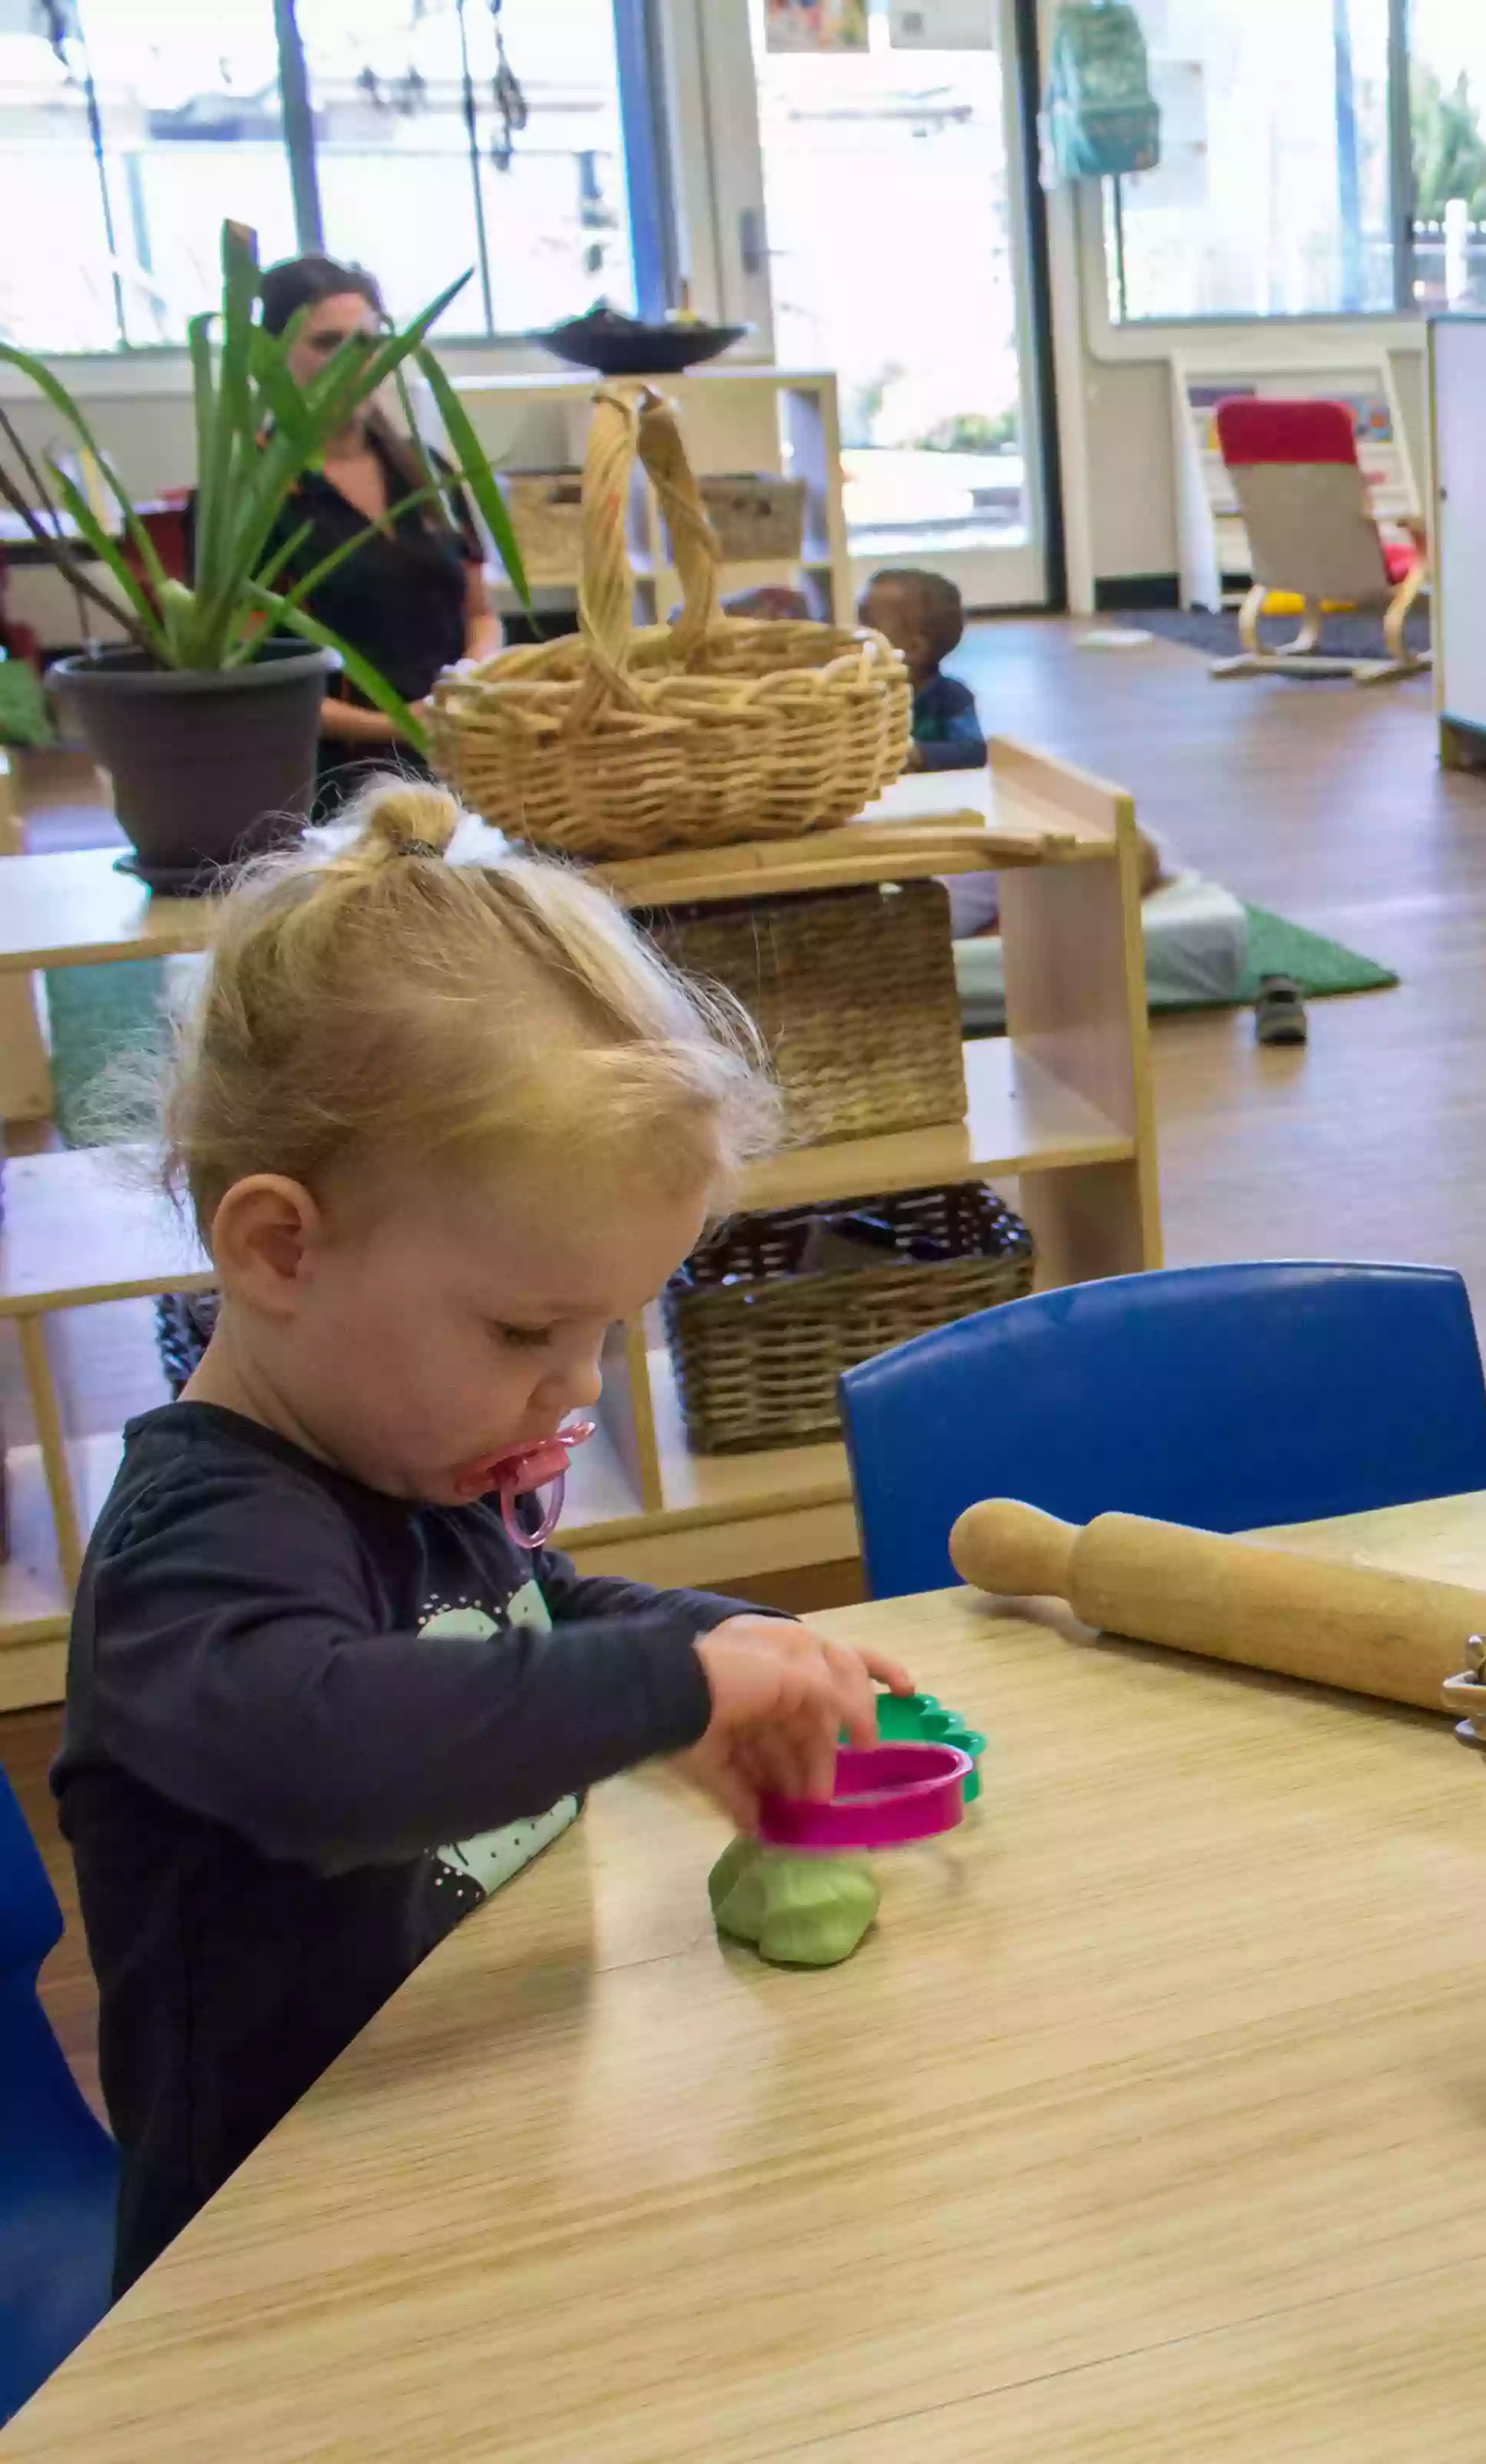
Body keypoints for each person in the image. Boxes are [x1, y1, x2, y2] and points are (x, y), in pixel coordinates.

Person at [51, 783, 912, 2289]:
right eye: (527, 1325)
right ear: (279, 1248)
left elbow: (514, 1599)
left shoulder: (403, 1454)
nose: (574, 1384)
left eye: (605, 1329)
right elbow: (332, 1747)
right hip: (269, 2272)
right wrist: (668, 1690)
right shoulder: (197, 1541)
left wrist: (709, 1639)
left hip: (470, 2160)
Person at [254, 257, 505, 810]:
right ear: (270, 358)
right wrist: (391, 726)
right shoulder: (251, 501)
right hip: (330, 792)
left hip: (461, 770)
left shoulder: (429, 472)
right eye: (327, 343)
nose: (353, 363)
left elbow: (481, 614)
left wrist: (469, 677)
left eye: (366, 344)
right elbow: (253, 688)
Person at [862, 567, 987, 774]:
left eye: (867, 625)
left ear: (913, 649)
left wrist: (914, 754)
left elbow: (974, 751)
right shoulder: (861, 693)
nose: (853, 632)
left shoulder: (951, 697)